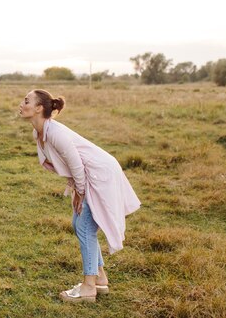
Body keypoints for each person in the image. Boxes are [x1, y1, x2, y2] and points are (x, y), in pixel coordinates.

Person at [18, 89, 141, 303]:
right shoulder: (40, 132)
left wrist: (80, 192)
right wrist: (77, 189)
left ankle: (89, 287)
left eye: (26, 101)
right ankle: (100, 277)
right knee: (79, 225)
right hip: (88, 175)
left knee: (84, 226)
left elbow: (76, 164)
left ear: (39, 108)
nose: (21, 103)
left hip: (99, 174)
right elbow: (69, 165)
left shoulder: (55, 133)